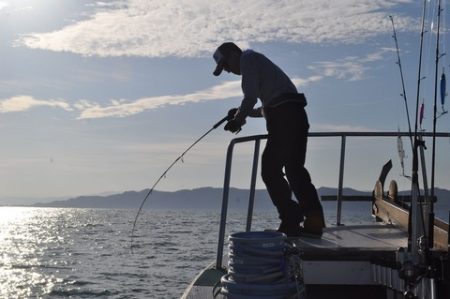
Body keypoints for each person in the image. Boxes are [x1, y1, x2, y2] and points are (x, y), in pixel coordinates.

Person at [212, 42, 325, 237]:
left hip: (284, 120)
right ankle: (314, 221)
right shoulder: (262, 67)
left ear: (232, 54)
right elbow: (267, 107)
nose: (228, 71)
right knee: (295, 170)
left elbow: (250, 98)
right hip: (296, 117)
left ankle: (291, 218)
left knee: (270, 170)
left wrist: (238, 120)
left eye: (226, 66)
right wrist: (240, 114)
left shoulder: (248, 59)